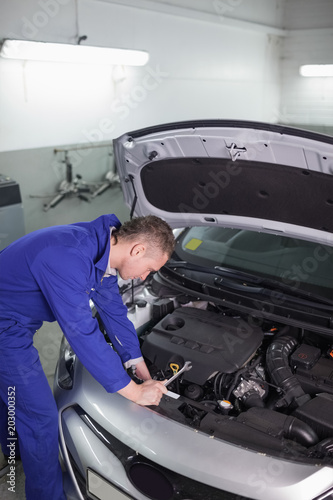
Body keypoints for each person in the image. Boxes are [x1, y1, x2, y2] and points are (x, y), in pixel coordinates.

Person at [0, 213, 175, 500]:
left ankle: (14, 448)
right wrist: (133, 392)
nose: (145, 277)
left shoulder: (101, 248)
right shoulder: (66, 257)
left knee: (12, 396)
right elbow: (82, 332)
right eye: (149, 269)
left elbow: (114, 311)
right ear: (138, 250)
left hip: (13, 317)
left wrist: (136, 361)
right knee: (41, 418)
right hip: (4, 329)